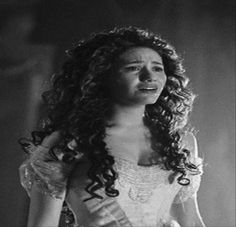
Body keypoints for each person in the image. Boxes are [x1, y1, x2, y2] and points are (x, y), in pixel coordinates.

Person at [19, 27, 206, 227]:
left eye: (157, 68)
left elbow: (191, 222)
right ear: (102, 76)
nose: (149, 77)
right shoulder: (68, 143)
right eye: (134, 68)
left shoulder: (181, 144)